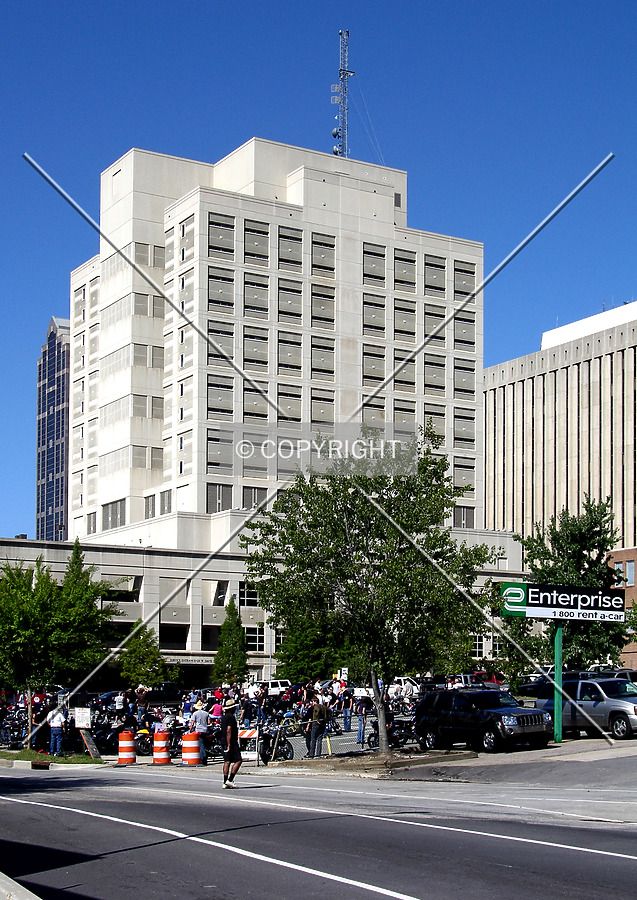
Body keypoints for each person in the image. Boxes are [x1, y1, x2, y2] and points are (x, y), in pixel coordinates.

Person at [220, 697, 242, 788]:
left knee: (227, 761)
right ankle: (230, 779)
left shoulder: (223, 718)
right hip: (231, 741)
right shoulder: (231, 718)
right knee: (238, 760)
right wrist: (229, 744)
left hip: (223, 740)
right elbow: (229, 730)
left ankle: (225, 782)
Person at [189, 699, 212, 764]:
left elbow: (192, 723)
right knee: (203, 743)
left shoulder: (195, 714)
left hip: (198, 730)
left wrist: (190, 730)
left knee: (200, 745)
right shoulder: (206, 713)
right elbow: (209, 722)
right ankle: (204, 755)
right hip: (205, 730)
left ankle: (203, 757)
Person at [309, 693, 328, 758]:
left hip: (315, 724)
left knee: (313, 739)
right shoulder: (323, 706)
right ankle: (318, 753)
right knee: (319, 739)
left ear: (315, 701)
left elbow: (317, 712)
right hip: (322, 724)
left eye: (313, 702)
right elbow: (329, 711)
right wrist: (325, 720)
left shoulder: (316, 707)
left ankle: (311, 754)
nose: (312, 703)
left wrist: (317, 719)